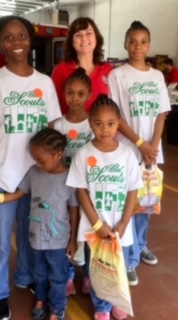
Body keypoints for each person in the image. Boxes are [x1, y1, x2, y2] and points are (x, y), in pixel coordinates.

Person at [0, 16, 61, 320]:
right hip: (1, 176)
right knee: (2, 243)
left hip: (36, 177)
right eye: (8, 37)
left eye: (22, 36)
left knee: (34, 237)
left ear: (30, 40)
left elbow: (51, 130)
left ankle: (25, 277)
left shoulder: (44, 83)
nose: (17, 42)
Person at [0, 128, 79, 320]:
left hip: (58, 242)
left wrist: (73, 240)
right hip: (36, 241)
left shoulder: (70, 179)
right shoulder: (34, 173)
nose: (38, 164)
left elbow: (74, 210)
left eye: (41, 160)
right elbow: (18, 194)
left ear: (59, 155)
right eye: (35, 160)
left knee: (58, 277)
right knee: (40, 275)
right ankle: (41, 300)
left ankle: (57, 307)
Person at [66, 94, 143, 320]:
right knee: (97, 269)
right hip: (95, 228)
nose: (105, 130)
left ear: (119, 123)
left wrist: (124, 222)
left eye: (111, 124)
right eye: (99, 124)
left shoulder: (127, 155)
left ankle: (116, 300)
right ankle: (101, 306)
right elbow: (81, 191)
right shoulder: (84, 154)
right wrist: (98, 224)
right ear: (90, 123)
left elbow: (132, 191)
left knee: (118, 267)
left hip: (120, 227)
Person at [108, 21, 171, 286]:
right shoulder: (117, 76)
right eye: (132, 41)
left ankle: (141, 245)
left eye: (143, 41)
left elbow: (161, 113)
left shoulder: (157, 76)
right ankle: (130, 257)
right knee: (129, 206)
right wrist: (140, 144)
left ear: (149, 45)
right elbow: (116, 115)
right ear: (125, 44)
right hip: (127, 150)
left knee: (145, 203)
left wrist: (153, 147)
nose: (137, 47)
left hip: (150, 153)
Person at [54, 67, 93, 296]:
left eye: (81, 94)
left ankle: (88, 274)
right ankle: (67, 274)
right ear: (64, 93)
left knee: (86, 231)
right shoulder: (58, 124)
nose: (75, 98)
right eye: (70, 93)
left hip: (87, 190)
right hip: (63, 188)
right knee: (65, 230)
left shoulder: (93, 125)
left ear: (89, 95)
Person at [51, 17, 113, 114]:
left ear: (96, 38)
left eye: (89, 33)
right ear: (72, 41)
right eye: (78, 35)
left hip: (100, 129)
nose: (84, 38)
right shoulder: (61, 70)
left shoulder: (108, 70)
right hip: (69, 128)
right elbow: (52, 107)